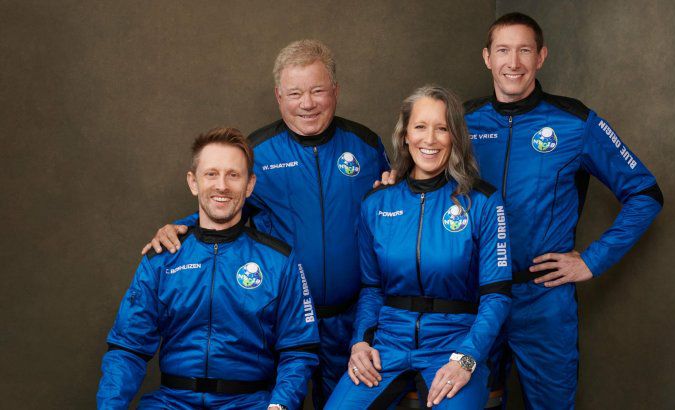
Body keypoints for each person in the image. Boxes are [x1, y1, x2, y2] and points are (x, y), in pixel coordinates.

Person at [142, 40, 390, 408]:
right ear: (278, 96)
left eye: (318, 90)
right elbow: (223, 205)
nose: (307, 103)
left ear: (335, 91)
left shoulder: (366, 146)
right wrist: (179, 228)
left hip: (350, 320)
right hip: (278, 325)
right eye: (295, 93)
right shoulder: (257, 152)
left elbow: (395, 207)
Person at [462, 12, 664, 409]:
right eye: (503, 50)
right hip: (475, 296)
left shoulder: (575, 122)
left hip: (543, 300)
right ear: (487, 57)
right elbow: (425, 183)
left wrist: (591, 260)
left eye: (524, 50)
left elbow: (646, 193)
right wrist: (391, 181)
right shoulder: (461, 122)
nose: (513, 62)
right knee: (470, 402)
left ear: (541, 57)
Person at [97, 128, 319, 410]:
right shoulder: (162, 259)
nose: (222, 186)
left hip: (249, 403)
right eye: (211, 174)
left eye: (233, 175)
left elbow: (299, 349)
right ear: (194, 182)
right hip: (172, 402)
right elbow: (127, 348)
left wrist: (281, 404)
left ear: (249, 185)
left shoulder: (280, 261)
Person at [325, 86, 512, 409]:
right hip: (388, 346)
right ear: (405, 135)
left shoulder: (483, 202)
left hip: (454, 345)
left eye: (442, 128)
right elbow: (371, 289)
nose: (430, 139)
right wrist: (360, 343)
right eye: (420, 127)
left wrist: (467, 358)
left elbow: (497, 296)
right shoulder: (377, 203)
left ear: (456, 137)